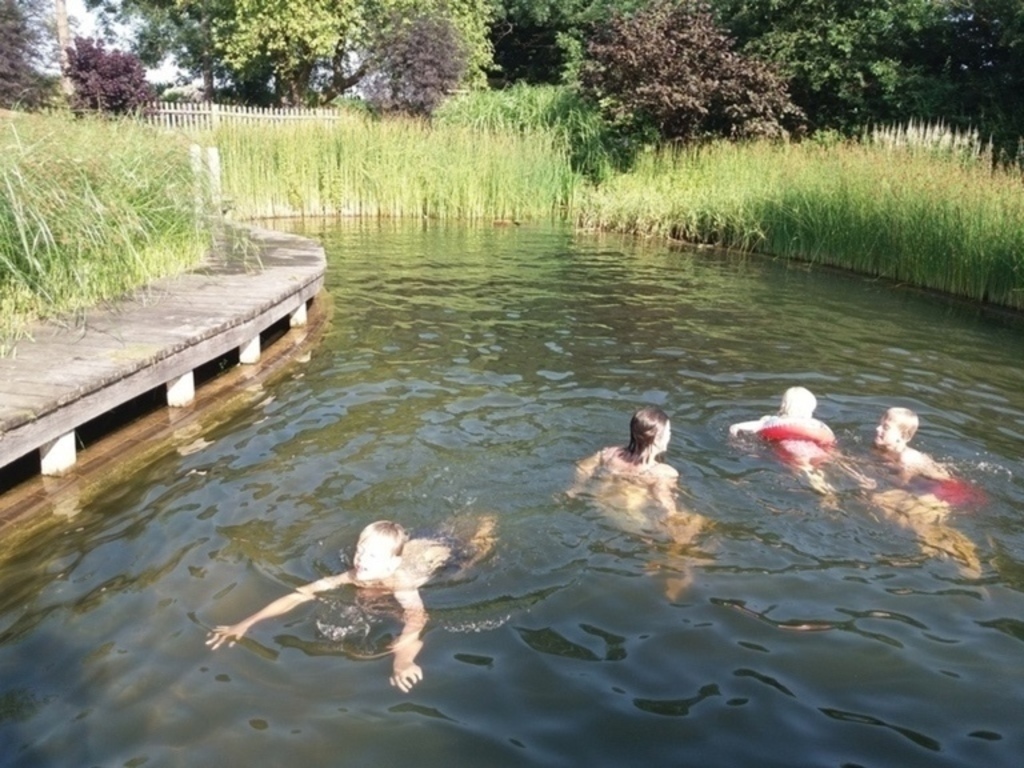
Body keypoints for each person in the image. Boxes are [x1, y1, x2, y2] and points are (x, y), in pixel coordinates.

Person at [206, 517, 496, 692]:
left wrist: (403, 660)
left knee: (475, 551)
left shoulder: (402, 581)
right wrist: (246, 623)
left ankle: (486, 529)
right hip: (418, 544)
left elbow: (417, 619)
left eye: (371, 556)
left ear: (391, 562)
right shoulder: (353, 574)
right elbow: (300, 594)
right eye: (360, 550)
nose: (360, 560)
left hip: (446, 554)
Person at [868, 407, 980, 575]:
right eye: (879, 424)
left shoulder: (908, 458)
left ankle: (964, 559)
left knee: (924, 524)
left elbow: (902, 484)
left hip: (945, 490)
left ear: (903, 437)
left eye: (885, 427)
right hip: (928, 487)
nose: (878, 428)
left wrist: (876, 476)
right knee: (880, 500)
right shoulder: (882, 449)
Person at [568, 406, 703, 545]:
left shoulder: (610, 454)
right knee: (696, 526)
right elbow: (662, 497)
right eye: (668, 431)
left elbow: (583, 467)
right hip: (630, 518)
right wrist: (673, 514)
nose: (670, 435)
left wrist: (576, 488)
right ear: (657, 439)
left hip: (599, 505)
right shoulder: (663, 473)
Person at [729, 386, 838, 496]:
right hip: (815, 448)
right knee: (841, 461)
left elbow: (745, 426)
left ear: (784, 404)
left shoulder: (773, 421)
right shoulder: (815, 424)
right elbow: (829, 436)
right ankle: (856, 483)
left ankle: (827, 494)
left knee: (806, 467)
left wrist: (734, 429)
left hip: (793, 447)